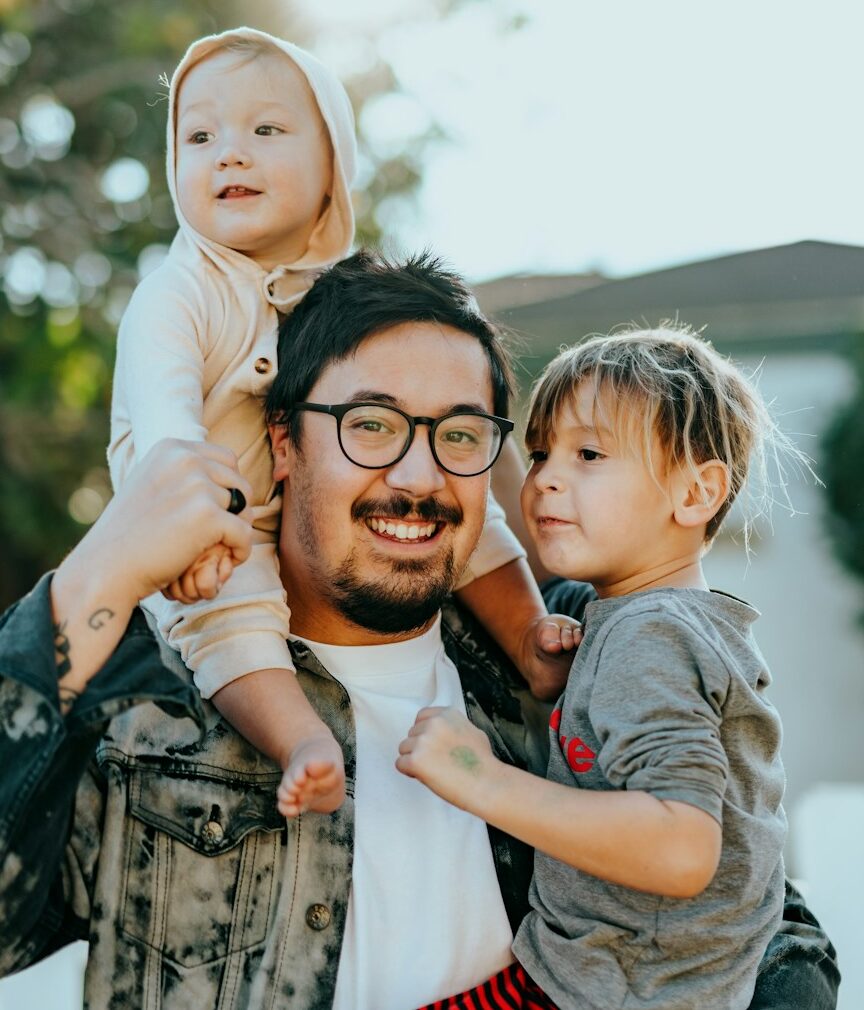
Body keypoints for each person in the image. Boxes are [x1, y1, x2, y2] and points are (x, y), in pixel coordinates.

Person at [0, 255, 839, 1009]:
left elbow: (764, 920)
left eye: (461, 435)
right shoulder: (149, 692)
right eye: (371, 425)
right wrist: (99, 570)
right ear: (283, 443)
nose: (419, 476)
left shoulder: (562, 657)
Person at [108, 26, 575, 820]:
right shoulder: (179, 292)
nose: (229, 153)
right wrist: (192, 533)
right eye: (199, 136)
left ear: (334, 168)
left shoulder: (342, 298)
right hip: (206, 529)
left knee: (472, 512)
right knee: (232, 621)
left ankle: (530, 638)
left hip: (277, 514)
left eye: (265, 130)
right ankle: (301, 740)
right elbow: (166, 430)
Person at [398, 325, 823, 1010]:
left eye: (590, 453)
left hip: (614, 987)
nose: (545, 480)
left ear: (695, 494)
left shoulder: (648, 638)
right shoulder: (657, 623)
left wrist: (478, 778)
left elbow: (682, 848)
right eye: (539, 453)